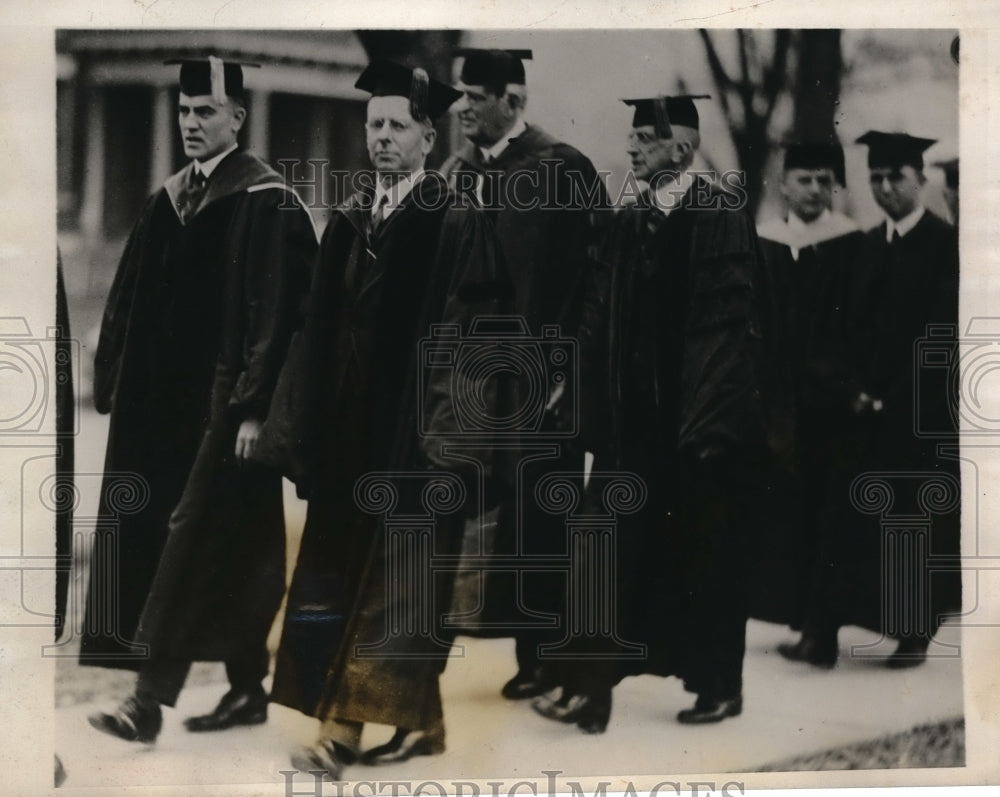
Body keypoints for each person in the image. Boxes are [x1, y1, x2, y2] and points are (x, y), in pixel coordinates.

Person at [261, 60, 504, 781]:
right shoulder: (352, 216)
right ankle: (423, 722)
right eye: (375, 124)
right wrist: (302, 425)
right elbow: (315, 329)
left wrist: (448, 445)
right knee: (346, 581)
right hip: (348, 437)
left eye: (399, 125)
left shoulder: (455, 219)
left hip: (413, 438)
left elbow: (472, 340)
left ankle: (341, 733)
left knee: (390, 590)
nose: (383, 137)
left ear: (429, 137)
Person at [532, 95, 791, 732]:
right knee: (602, 546)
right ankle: (588, 686)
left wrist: (704, 421)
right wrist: (574, 385)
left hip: (701, 427)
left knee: (706, 558)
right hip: (632, 424)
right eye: (632, 137)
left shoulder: (720, 216)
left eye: (646, 138)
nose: (632, 147)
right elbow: (596, 314)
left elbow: (729, 330)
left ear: (682, 148)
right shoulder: (627, 221)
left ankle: (718, 687)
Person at [85, 57, 317, 743]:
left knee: (191, 541)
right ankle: (247, 687)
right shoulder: (170, 197)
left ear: (237, 118)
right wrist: (113, 376)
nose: (190, 123)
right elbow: (129, 296)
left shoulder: (266, 199)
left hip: (226, 409)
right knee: (234, 549)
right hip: (165, 414)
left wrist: (254, 408)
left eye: (205, 111)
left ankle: (146, 701)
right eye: (184, 111)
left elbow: (284, 316)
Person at [440, 48, 608, 702]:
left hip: (542, 376)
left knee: (542, 513)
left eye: (474, 96)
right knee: (488, 512)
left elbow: (596, 277)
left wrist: (569, 365)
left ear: (512, 101)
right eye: (459, 94)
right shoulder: (456, 173)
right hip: (473, 378)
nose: (461, 106)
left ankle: (549, 656)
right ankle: (505, 647)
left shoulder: (562, 168)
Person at [778, 131, 960, 669]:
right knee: (840, 516)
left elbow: (941, 335)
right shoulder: (861, 245)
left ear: (920, 180)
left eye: (895, 177)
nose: (884, 187)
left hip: (917, 413)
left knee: (909, 522)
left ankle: (913, 634)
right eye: (875, 177)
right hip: (857, 410)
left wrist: (892, 397)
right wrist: (847, 388)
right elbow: (832, 328)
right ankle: (821, 634)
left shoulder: (945, 245)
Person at [752, 141, 870, 639]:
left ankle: (821, 623)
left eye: (825, 180)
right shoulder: (764, 241)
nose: (816, 189)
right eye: (805, 179)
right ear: (783, 185)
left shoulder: (850, 243)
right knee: (783, 506)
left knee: (827, 507)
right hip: (779, 400)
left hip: (831, 400)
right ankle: (792, 613)